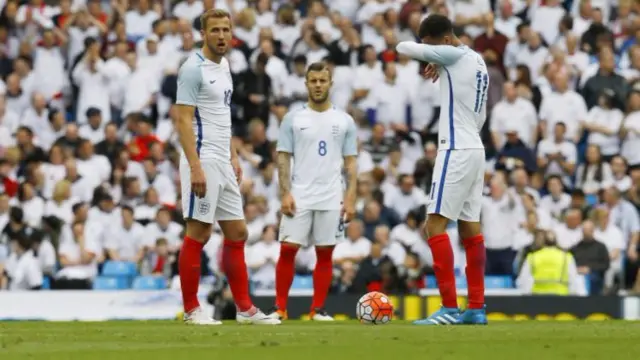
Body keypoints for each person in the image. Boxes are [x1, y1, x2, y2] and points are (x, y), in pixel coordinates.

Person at [173, 9, 279, 326]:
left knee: (237, 231)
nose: (222, 35)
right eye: (215, 30)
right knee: (199, 232)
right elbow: (181, 120)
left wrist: (233, 154)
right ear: (203, 34)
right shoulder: (192, 68)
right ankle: (192, 310)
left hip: (222, 157)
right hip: (202, 158)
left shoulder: (225, 65)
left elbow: (222, 115)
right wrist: (195, 167)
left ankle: (245, 309)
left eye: (226, 29)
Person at [396, 14, 488, 325]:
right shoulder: (477, 61)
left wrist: (433, 54)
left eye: (433, 47)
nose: (432, 55)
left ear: (445, 40)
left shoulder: (453, 53)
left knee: (433, 227)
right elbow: (481, 115)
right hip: (475, 146)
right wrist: (441, 61)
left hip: (456, 149)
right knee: (470, 231)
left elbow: (402, 46)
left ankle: (449, 307)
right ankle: (475, 308)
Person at [267, 62, 358, 321]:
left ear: (330, 83)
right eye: (313, 81)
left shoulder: (344, 121)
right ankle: (280, 308)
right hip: (300, 194)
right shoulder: (293, 119)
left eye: (322, 80)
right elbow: (283, 158)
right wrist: (285, 193)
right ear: (306, 84)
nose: (318, 85)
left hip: (331, 194)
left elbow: (351, 162)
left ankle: (317, 309)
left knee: (325, 252)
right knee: (287, 250)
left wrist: (350, 198)